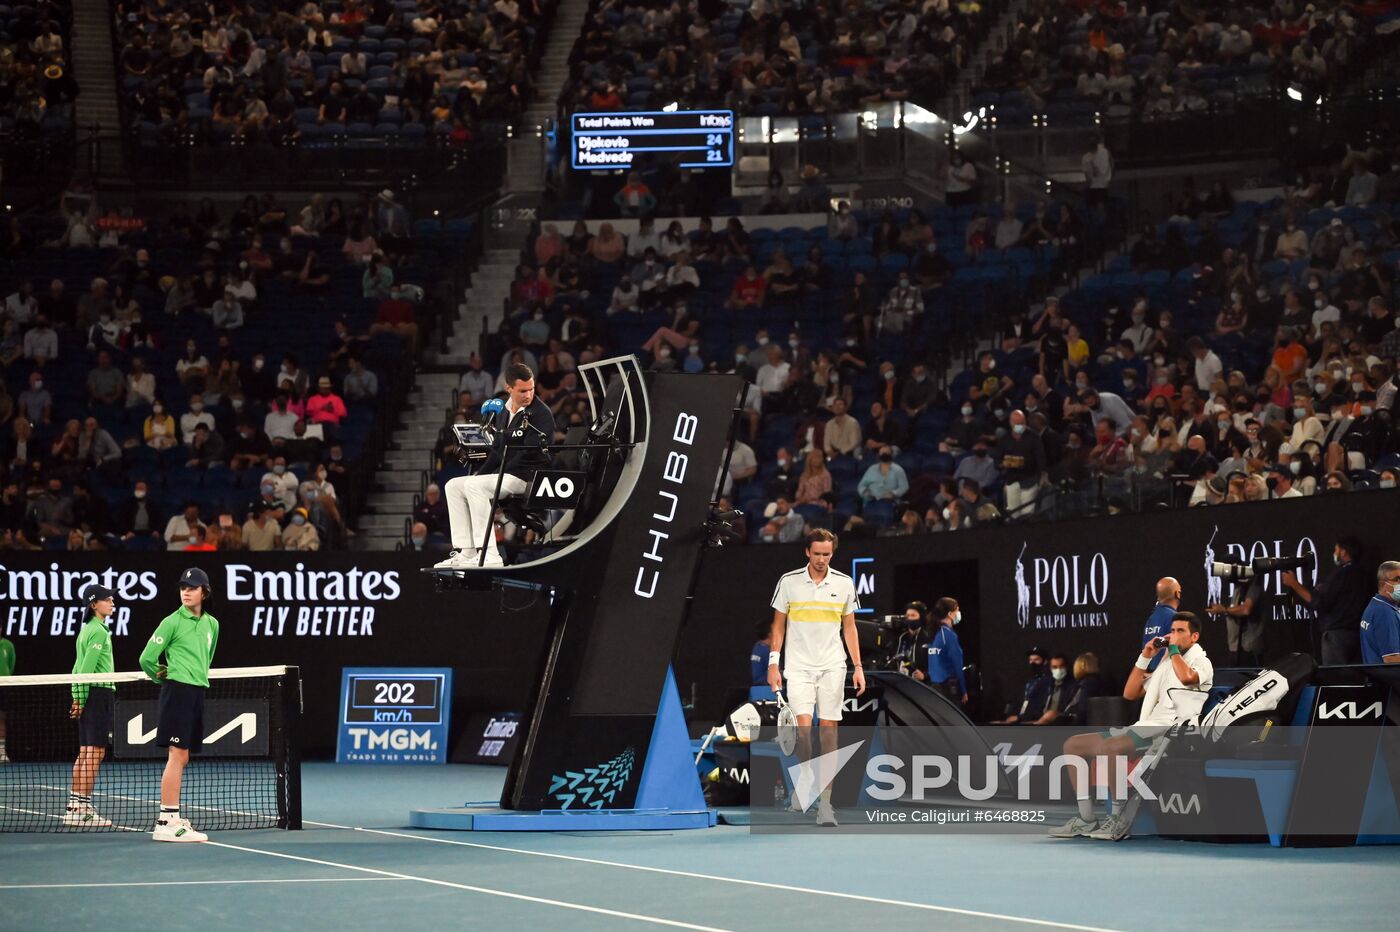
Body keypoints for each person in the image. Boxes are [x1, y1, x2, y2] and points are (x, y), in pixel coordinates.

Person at [1050, 612, 1213, 841]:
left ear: (1194, 636)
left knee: (1111, 748)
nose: (1173, 636)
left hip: (1170, 731)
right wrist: (1146, 657)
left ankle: (1118, 819)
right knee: (1073, 745)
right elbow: (1130, 693)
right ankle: (1086, 819)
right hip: (1145, 726)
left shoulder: (1202, 663)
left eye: (1180, 631)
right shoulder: (1165, 665)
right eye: (1172, 630)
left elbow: (1187, 678)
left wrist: (1172, 650)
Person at [766, 529, 864, 827]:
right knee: (804, 734)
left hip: (833, 666)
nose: (822, 559)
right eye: (817, 553)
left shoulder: (845, 583)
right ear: (807, 552)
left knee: (829, 731)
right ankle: (807, 775)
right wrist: (773, 663)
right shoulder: (789, 581)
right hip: (798, 667)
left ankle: (825, 805)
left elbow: (850, 628)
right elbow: (778, 626)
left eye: (827, 554)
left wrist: (858, 666)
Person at [435, 364, 555, 569]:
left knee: (475, 487)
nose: (529, 394)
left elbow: (532, 451)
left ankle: (490, 554)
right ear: (509, 388)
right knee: (453, 485)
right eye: (523, 390)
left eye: (532, 389)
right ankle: (467, 551)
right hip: (505, 474)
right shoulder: (502, 412)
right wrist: (481, 474)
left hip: (526, 476)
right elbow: (497, 451)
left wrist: (495, 474)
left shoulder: (541, 414)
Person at [138, 567, 219, 842]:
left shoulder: (212, 624)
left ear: (204, 592)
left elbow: (207, 658)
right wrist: (165, 677)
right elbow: (147, 658)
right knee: (176, 753)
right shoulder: (171, 622)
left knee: (183, 756)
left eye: (192, 587)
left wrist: (194, 678)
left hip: (196, 690)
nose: (186, 591)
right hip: (177, 690)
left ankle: (171, 816)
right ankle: (167, 820)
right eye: (183, 586)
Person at [65, 585, 118, 828]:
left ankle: (74, 807)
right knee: (95, 753)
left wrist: (77, 696)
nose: (112, 602)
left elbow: (77, 668)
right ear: (94, 605)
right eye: (108, 599)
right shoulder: (97, 632)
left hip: (90, 695)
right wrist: (81, 698)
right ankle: (82, 808)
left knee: (86, 752)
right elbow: (85, 669)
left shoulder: (87, 629)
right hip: (98, 694)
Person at [1280, 536, 1371, 664]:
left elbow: (1319, 602)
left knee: (1335, 678)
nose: (1334, 554)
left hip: (1337, 638)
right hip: (1359, 636)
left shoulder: (1341, 574)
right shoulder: (1364, 575)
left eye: (1336, 550)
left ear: (1343, 552)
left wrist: (1294, 584)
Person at [925, 597, 968, 704]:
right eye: (957, 610)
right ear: (950, 613)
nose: (958, 613)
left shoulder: (933, 634)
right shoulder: (948, 635)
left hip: (934, 690)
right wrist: (963, 690)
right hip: (948, 691)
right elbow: (957, 664)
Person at [993, 647, 1051, 723]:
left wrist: (1019, 717)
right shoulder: (1029, 681)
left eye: (1036, 660)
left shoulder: (1048, 681)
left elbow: (1040, 706)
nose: (1032, 663)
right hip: (1020, 720)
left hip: (1034, 721)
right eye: (1030, 660)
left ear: (1045, 661)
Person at [1360, 562, 1400, 664]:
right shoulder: (1384, 613)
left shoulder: (1376, 605)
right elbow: (1392, 659)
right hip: (1389, 679)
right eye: (1397, 579)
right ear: (1383, 584)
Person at [1142, 577, 1181, 672]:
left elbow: (1145, 651)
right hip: (1168, 677)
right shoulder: (1176, 618)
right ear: (1177, 594)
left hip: (1150, 678)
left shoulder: (1150, 619)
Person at [1031, 653, 1078, 724]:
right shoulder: (1046, 684)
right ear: (1050, 668)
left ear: (1066, 667)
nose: (1058, 670)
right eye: (1055, 667)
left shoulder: (1073, 685)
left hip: (1061, 722)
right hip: (1042, 720)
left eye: (1061, 666)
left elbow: (1072, 710)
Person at [891, 601, 932, 680]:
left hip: (920, 685)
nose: (909, 618)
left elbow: (935, 665)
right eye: (908, 616)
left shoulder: (928, 638)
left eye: (913, 615)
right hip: (901, 682)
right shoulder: (901, 638)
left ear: (921, 617)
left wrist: (925, 675)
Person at [749, 619, 773, 686]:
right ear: (770, 634)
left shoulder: (757, 647)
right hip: (766, 689)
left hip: (758, 687)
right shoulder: (767, 651)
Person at [0, 629, 12, 761]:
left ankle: (2, 752)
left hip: (4, 686)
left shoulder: (8, 646)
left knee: (1, 718)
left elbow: (11, 663)